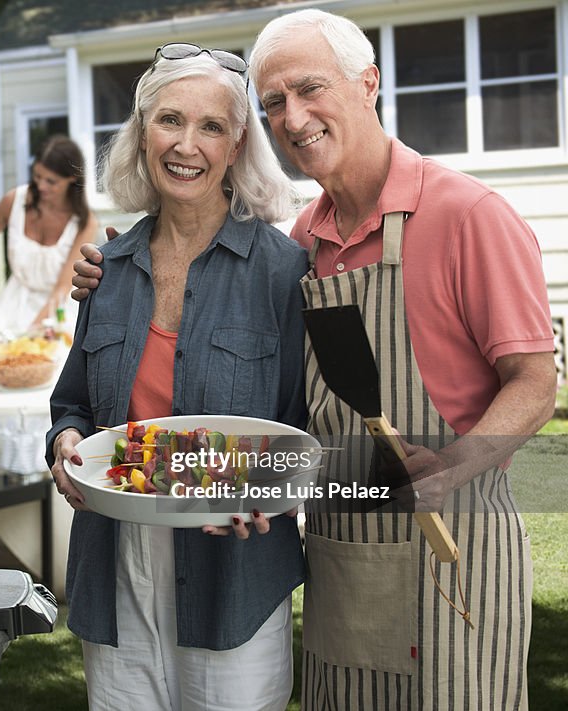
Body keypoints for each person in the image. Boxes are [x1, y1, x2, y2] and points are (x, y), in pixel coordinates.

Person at [73, 10, 556, 710]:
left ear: (369, 83)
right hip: (344, 554)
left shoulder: (467, 214)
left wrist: (449, 468)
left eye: (309, 89)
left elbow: (537, 386)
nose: (293, 117)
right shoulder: (308, 240)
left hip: (450, 549)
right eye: (274, 102)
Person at [47, 45, 308, 710]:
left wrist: (270, 492)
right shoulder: (108, 269)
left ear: (237, 142)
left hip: (234, 576)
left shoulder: (282, 272)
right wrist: (66, 440)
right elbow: (72, 401)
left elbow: (308, 425)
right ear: (141, 134)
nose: (186, 145)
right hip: (117, 564)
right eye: (169, 121)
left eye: (211, 126)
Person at [0, 135, 98, 336]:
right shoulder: (15, 200)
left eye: (51, 181)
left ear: (72, 179)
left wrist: (31, 332)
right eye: (37, 176)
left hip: (57, 313)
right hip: (11, 306)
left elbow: (62, 287)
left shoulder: (84, 222)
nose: (41, 186)